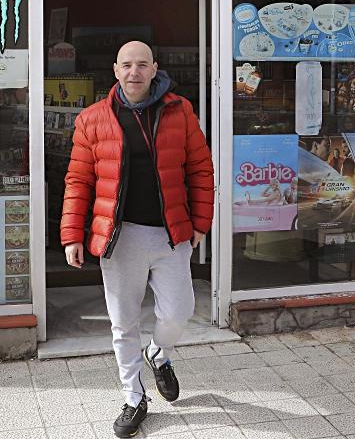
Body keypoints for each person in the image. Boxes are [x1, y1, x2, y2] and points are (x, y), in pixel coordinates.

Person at [61, 41, 214, 438]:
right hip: (119, 237)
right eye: (127, 65)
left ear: (154, 69)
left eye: (142, 65)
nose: (134, 72)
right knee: (123, 321)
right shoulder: (93, 119)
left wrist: (200, 222)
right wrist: (72, 235)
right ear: (115, 70)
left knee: (179, 311)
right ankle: (133, 396)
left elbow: (200, 168)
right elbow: (79, 180)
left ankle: (159, 354)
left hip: (170, 234)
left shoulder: (180, 112)